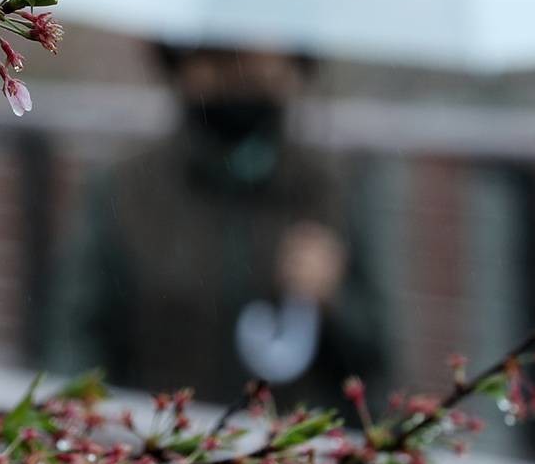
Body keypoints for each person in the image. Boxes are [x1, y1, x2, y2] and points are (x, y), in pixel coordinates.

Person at [43, 44, 387, 411]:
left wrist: (334, 301)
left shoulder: (329, 193)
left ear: (294, 66)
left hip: (289, 456)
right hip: (154, 447)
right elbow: (76, 338)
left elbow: (376, 362)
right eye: (217, 61)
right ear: (181, 66)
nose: (238, 79)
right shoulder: (124, 189)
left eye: (256, 63)